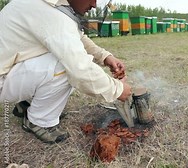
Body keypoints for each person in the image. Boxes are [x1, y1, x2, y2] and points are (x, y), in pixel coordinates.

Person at [0, 0, 132, 144]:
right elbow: (80, 69)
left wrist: (105, 56)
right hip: (3, 79)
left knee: (62, 57)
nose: (94, 5)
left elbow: (75, 36)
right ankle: (39, 121)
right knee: (65, 65)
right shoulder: (52, 14)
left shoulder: (52, 5)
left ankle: (26, 104)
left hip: (9, 68)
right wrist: (117, 90)